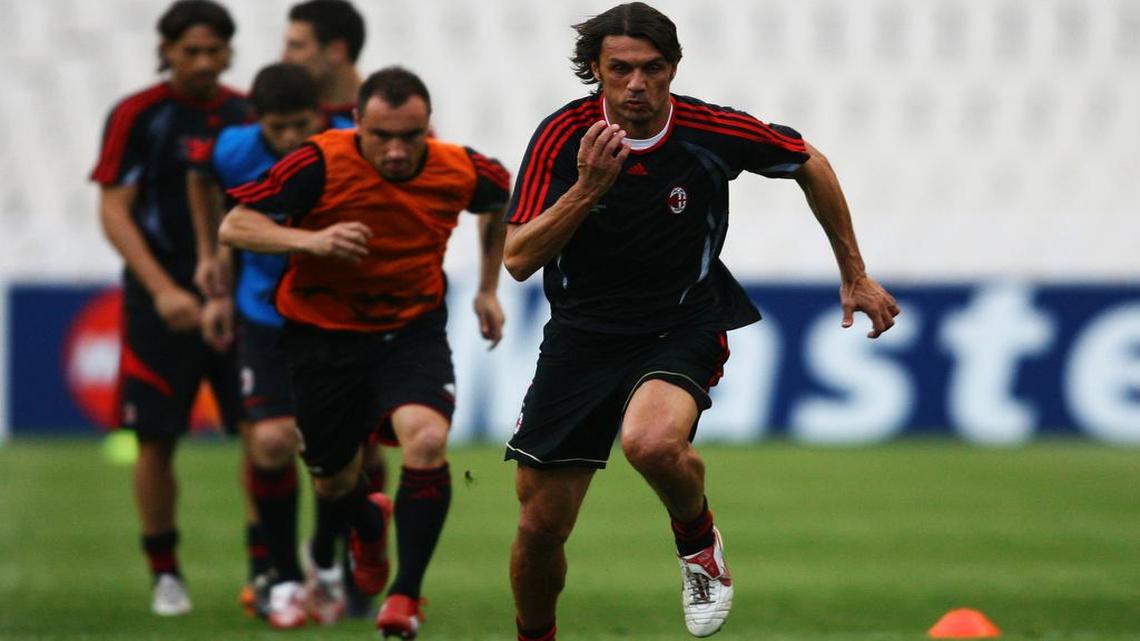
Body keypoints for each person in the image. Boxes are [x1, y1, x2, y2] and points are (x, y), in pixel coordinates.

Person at [501, 3, 901, 640]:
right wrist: (587, 188)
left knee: (651, 443)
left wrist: (853, 272)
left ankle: (698, 545)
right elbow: (518, 258)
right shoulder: (563, 138)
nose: (637, 84)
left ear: (674, 68)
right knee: (540, 526)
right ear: (596, 72)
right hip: (581, 338)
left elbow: (809, 162)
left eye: (653, 68)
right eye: (620, 69)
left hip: (681, 322)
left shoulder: (709, 130)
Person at [219, 66, 510, 639]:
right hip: (323, 337)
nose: (398, 150)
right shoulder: (318, 162)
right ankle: (366, 520)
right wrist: (310, 240)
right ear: (356, 123)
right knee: (332, 479)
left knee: (425, 440)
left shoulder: (462, 167)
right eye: (383, 136)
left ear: (430, 127)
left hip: (411, 330)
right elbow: (236, 224)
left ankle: (405, 595)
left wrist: (487, 288)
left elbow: (499, 201)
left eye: (412, 135)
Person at [89, 0, 249, 617]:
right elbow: (114, 209)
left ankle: (265, 572)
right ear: (168, 51)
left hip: (236, 299)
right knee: (155, 436)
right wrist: (162, 290)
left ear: (230, 52)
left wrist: (228, 291)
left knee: (260, 436)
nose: (204, 62)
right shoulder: (138, 114)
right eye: (192, 51)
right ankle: (165, 574)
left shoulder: (246, 112)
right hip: (159, 298)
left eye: (215, 51)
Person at [188, 63, 360, 628]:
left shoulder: (348, 143)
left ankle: (328, 564)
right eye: (279, 127)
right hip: (264, 314)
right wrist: (211, 263)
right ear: (258, 120)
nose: (291, 139)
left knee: (343, 460)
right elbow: (202, 181)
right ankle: (283, 578)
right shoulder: (234, 148)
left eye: (301, 125)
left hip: (337, 316)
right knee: (269, 440)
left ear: (320, 113)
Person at [282, 0, 366, 124]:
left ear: (337, 51)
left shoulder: (388, 118)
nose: (284, 58)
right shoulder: (269, 114)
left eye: (297, 46)